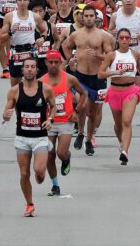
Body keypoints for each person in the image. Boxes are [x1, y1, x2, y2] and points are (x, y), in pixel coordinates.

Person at [2, 56, 55, 217]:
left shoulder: (45, 89)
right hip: (22, 138)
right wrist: (6, 115)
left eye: (33, 67)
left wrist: (50, 119)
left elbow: (53, 107)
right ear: (23, 70)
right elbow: (6, 113)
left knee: (38, 172)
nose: (30, 69)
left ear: (37, 70)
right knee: (24, 173)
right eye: (27, 67)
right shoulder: (14, 90)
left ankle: (41, 173)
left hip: (40, 137)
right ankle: (29, 204)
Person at [62, 5, 115, 155]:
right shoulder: (76, 34)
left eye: (91, 16)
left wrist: (98, 55)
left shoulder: (104, 36)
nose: (89, 18)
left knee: (93, 112)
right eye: (86, 16)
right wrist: (70, 59)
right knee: (83, 105)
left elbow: (111, 57)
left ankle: (89, 139)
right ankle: (80, 132)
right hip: (81, 76)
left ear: (96, 18)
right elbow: (66, 46)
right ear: (82, 17)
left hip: (97, 77)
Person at [41, 50, 86, 196]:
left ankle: (67, 158)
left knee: (61, 152)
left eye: (56, 62)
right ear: (46, 63)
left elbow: (84, 94)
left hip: (66, 121)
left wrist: (76, 111)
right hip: (49, 122)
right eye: (50, 62)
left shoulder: (69, 79)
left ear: (61, 63)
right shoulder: (41, 81)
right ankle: (55, 185)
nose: (53, 65)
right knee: (49, 154)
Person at [98, 28, 140, 165]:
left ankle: (125, 151)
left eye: (127, 38)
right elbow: (100, 74)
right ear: (117, 40)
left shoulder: (135, 54)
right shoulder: (112, 55)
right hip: (114, 91)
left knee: (126, 121)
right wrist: (114, 72)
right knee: (118, 125)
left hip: (131, 91)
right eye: (122, 37)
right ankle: (121, 141)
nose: (124, 40)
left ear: (130, 40)